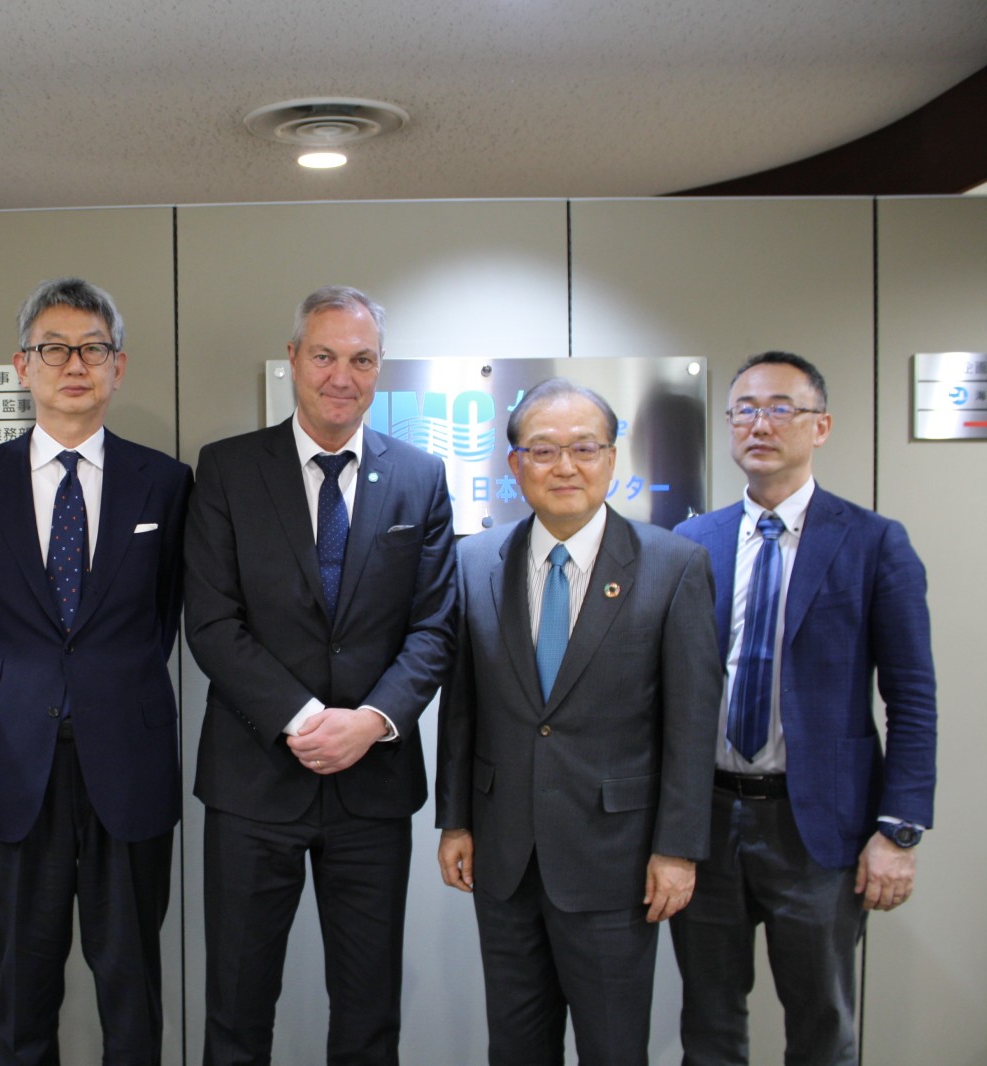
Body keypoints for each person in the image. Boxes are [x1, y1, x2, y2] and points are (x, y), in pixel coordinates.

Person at [185, 285, 456, 1064]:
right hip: (252, 783)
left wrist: (369, 723)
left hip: (372, 788)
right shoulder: (229, 469)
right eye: (327, 356)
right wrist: (305, 719)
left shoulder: (419, 476)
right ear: (295, 359)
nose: (344, 376)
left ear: (381, 370)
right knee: (237, 1011)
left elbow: (434, 627)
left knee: (369, 1015)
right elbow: (211, 622)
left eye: (362, 359)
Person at [0, 277, 192, 1064]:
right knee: (24, 981)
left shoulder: (167, 483)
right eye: (54, 348)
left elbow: (165, 615)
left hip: (130, 757)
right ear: (22, 365)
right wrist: (33, 695)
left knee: (131, 982)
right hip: (19, 762)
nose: (73, 364)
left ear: (119, 366)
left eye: (93, 348)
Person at [434, 376, 719, 1066]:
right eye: (544, 450)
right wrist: (455, 821)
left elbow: (691, 720)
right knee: (516, 1045)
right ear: (515, 466)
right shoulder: (474, 562)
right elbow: (462, 704)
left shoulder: (672, 565)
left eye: (585, 448)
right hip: (504, 857)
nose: (565, 466)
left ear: (613, 458)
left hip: (615, 859)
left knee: (614, 1047)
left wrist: (678, 848)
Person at [670, 351, 937, 1066]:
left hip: (820, 829)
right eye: (746, 409)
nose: (761, 423)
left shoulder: (875, 543)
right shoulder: (692, 545)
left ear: (821, 426)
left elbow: (911, 697)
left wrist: (898, 832)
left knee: (823, 1027)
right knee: (709, 1024)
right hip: (707, 819)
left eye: (782, 407)